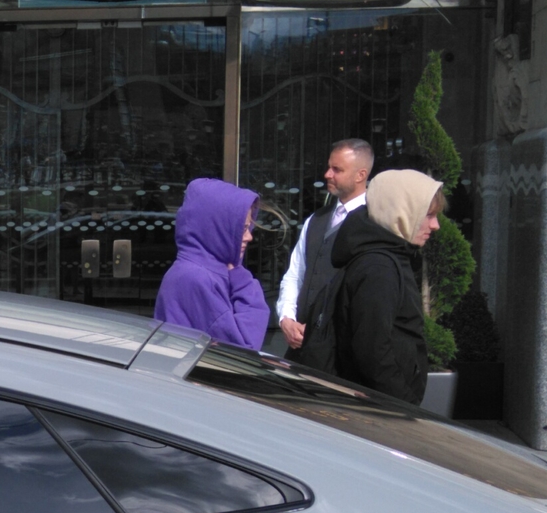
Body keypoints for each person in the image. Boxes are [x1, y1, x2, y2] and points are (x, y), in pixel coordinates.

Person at [328, 168, 444, 404]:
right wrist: (403, 404)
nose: (435, 226)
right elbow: (372, 351)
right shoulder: (379, 268)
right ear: (402, 212)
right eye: (428, 215)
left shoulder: (388, 257)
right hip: (380, 408)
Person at [276, 138, 373, 368]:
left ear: (360, 175)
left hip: (342, 358)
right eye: (329, 167)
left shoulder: (374, 223)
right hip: (301, 350)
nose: (327, 174)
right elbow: (295, 273)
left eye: (337, 169)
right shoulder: (316, 219)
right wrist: (286, 318)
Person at [153, 178, 270, 348]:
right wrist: (243, 281)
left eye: (248, 228)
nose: (249, 237)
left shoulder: (198, 271)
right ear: (217, 228)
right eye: (242, 229)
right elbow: (244, 348)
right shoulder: (197, 277)